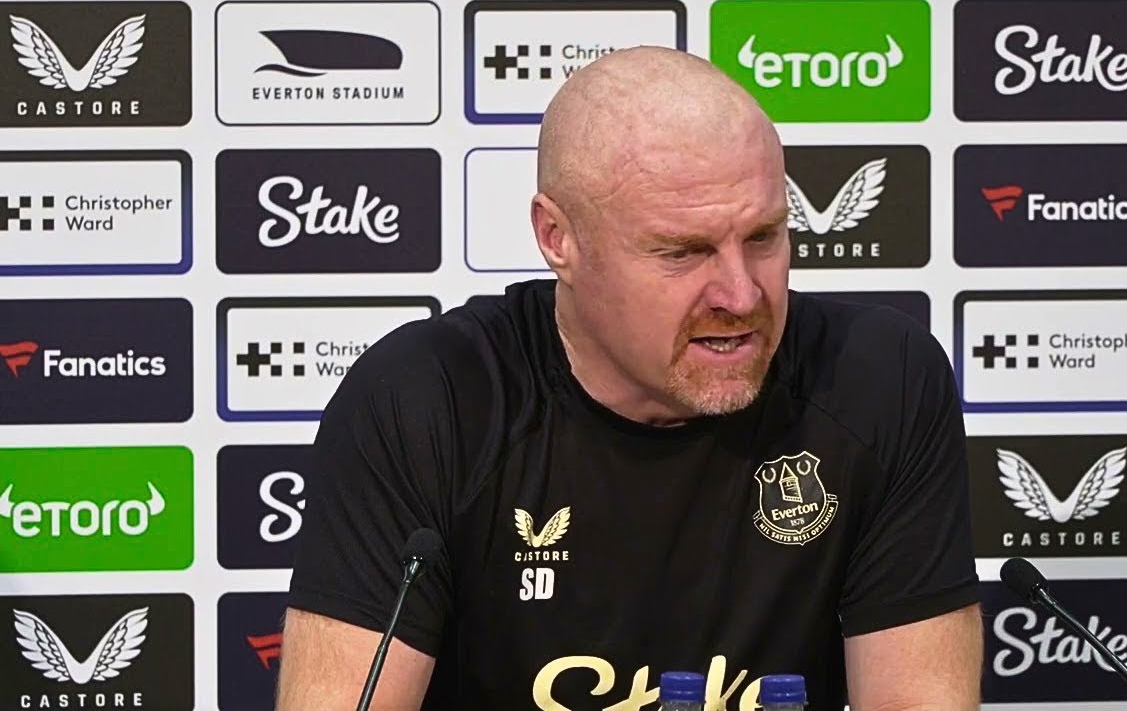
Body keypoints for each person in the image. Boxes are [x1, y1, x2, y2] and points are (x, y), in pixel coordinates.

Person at [276, 46, 982, 710]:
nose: (741, 294)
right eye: (682, 251)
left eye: (764, 237)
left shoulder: (875, 380)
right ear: (558, 239)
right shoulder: (428, 399)